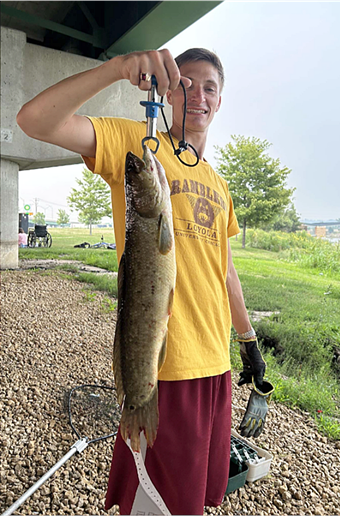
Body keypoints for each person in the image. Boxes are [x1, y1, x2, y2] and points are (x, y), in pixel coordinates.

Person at [17, 48, 271, 515]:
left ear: (221, 100)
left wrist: (248, 341)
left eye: (208, 87)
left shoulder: (217, 181)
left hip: (214, 363)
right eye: (186, 84)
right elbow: (35, 120)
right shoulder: (139, 145)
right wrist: (114, 70)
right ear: (168, 92)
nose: (197, 95)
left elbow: (224, 267)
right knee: (157, 500)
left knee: (193, 498)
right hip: (166, 365)